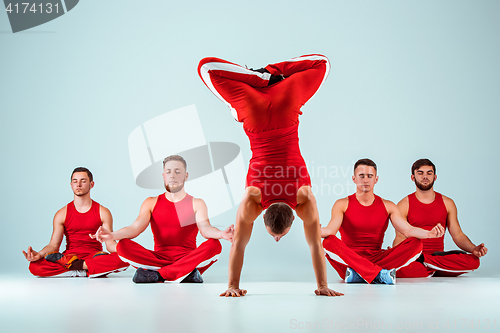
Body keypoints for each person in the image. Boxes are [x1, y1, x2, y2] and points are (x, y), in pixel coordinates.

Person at [198, 54, 343, 297]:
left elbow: (315, 245)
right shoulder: (253, 199)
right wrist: (232, 286)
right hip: (254, 115)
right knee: (207, 69)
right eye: (279, 236)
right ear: (262, 214)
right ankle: (258, 83)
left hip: (287, 107)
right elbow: (239, 246)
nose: (277, 240)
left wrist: (323, 286)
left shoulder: (304, 197)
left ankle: (269, 77)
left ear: (293, 217)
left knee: (323, 64)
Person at [93, 155, 233, 283]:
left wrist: (222, 234)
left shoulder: (197, 203)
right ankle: (184, 274)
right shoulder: (151, 202)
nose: (172, 175)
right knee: (122, 246)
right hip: (158, 258)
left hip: (188, 258)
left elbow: (206, 229)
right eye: (168, 172)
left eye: (177, 172)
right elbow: (135, 228)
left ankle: (158, 275)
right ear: (163, 176)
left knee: (215, 245)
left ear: (186, 175)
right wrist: (112, 235)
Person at [321, 159, 445, 284]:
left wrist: (429, 234)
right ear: (354, 179)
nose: (365, 180)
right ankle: (379, 274)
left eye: (370, 176)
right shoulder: (342, 204)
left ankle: (362, 274)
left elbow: (408, 230)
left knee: (416, 243)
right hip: (350, 261)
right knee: (328, 241)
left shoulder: (388, 206)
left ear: (376, 179)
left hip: (371, 261)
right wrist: (317, 229)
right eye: (361, 176)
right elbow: (331, 230)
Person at [23, 167, 129, 278]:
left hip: (94, 257)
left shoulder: (103, 212)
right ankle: (88, 270)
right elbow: (53, 245)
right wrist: (39, 254)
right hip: (69, 257)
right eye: (75, 181)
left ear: (91, 184)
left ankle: (76, 268)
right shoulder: (61, 214)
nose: (78, 184)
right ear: (71, 185)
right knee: (34, 266)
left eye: (83, 181)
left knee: (124, 260)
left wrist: (125, 252)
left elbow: (110, 244)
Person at [393, 159, 487, 278]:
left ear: (435, 177)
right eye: (420, 173)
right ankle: (432, 268)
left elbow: (457, 234)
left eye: (429, 173)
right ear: (413, 177)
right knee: (400, 269)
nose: (425, 176)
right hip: (415, 256)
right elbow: (400, 237)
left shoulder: (447, 203)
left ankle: (426, 265)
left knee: (474, 261)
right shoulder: (403, 204)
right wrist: (395, 255)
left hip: (438, 257)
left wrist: (474, 248)